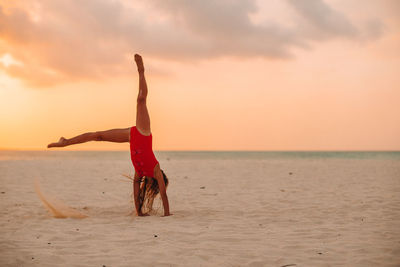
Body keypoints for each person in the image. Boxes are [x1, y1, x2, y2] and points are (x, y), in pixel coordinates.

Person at [47, 54, 171, 217]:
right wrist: (167, 214)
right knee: (141, 100)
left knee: (98, 136)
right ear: (157, 180)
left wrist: (139, 212)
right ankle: (141, 70)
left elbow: (135, 193)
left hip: (131, 136)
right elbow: (163, 194)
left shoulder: (139, 172)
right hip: (143, 132)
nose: (149, 188)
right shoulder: (156, 169)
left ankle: (65, 142)